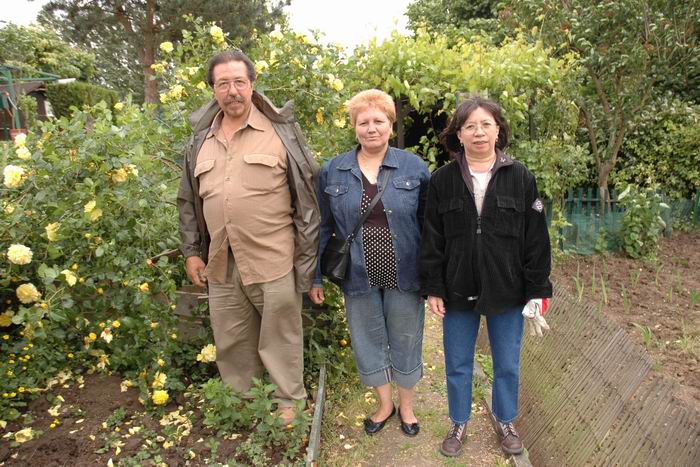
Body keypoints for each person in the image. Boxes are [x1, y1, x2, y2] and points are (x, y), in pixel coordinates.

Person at [177, 50, 320, 424]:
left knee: (281, 337)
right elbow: (188, 201)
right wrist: (192, 251)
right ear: (213, 90)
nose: (232, 91)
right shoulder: (200, 141)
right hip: (221, 262)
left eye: (239, 81)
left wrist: (306, 259)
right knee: (232, 340)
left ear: (252, 85)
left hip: (273, 258)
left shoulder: (280, 134)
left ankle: (289, 402)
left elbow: (307, 200)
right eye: (222, 83)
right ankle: (244, 404)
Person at [419, 96, 552, 457]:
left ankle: (506, 421)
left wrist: (538, 290)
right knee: (458, 363)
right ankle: (458, 423)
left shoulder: (521, 177)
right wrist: (433, 287)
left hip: (507, 290)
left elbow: (537, 239)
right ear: (458, 135)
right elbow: (432, 238)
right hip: (457, 289)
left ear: (498, 131)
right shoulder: (442, 180)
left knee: (507, 363)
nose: (478, 133)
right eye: (469, 126)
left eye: (486, 125)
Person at [309, 89, 430, 437]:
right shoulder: (334, 170)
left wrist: (434, 277)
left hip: (405, 273)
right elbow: (323, 227)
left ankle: (406, 407)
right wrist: (316, 277)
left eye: (379, 121)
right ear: (354, 127)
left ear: (391, 125)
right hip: (357, 274)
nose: (371, 128)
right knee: (367, 339)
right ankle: (385, 404)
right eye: (363, 122)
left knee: (406, 339)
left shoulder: (414, 167)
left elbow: (431, 229)